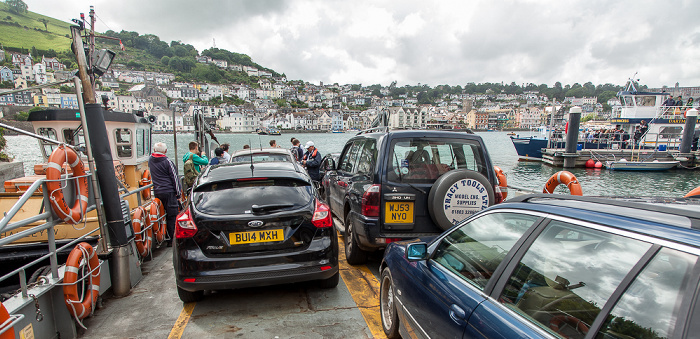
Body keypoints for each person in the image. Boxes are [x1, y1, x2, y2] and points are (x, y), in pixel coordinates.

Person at [148, 142, 182, 246]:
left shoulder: (150, 160)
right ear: (166, 151)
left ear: (154, 150)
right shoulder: (168, 162)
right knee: (172, 216)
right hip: (169, 192)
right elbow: (174, 178)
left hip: (158, 191)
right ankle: (172, 240)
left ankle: (165, 237)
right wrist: (178, 194)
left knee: (162, 215)